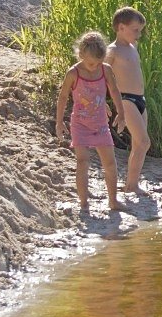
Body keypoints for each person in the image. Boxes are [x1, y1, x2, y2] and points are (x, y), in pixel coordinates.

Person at [55, 31, 128, 217]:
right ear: (81, 55)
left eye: (97, 62)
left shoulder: (105, 70)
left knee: (110, 163)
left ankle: (113, 201)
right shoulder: (73, 73)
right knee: (82, 162)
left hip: (101, 124)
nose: (94, 66)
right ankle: (84, 203)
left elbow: (114, 90)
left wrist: (121, 112)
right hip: (79, 124)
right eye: (90, 63)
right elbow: (63, 97)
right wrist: (59, 122)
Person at [107, 6, 151, 197]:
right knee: (144, 142)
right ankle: (131, 185)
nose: (138, 34)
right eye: (135, 30)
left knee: (138, 144)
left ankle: (131, 184)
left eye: (140, 30)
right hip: (125, 99)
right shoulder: (112, 50)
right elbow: (103, 76)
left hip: (140, 99)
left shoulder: (133, 48)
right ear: (121, 27)